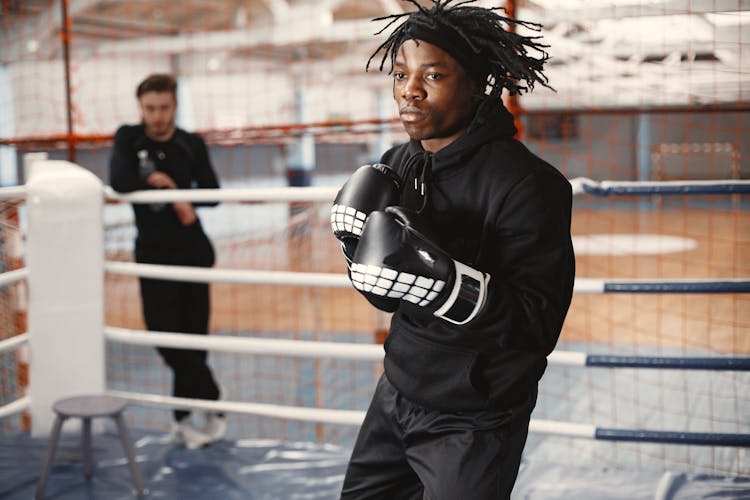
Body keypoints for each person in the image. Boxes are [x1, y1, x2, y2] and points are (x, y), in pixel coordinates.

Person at [331, 1, 575, 498]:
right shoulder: (399, 161)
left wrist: (447, 285)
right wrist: (360, 255)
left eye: (433, 75)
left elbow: (538, 323)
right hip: (397, 390)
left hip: (474, 419)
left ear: (478, 84)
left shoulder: (528, 184)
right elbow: (389, 294)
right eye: (400, 74)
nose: (409, 90)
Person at [109, 73, 226, 450]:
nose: (156, 116)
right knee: (166, 339)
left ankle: (183, 420)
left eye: (163, 108)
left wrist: (178, 192)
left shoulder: (190, 144)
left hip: (192, 251)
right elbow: (120, 180)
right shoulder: (129, 137)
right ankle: (213, 400)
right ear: (140, 108)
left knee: (194, 339)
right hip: (153, 255)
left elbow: (212, 195)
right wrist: (156, 184)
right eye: (149, 108)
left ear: (174, 106)